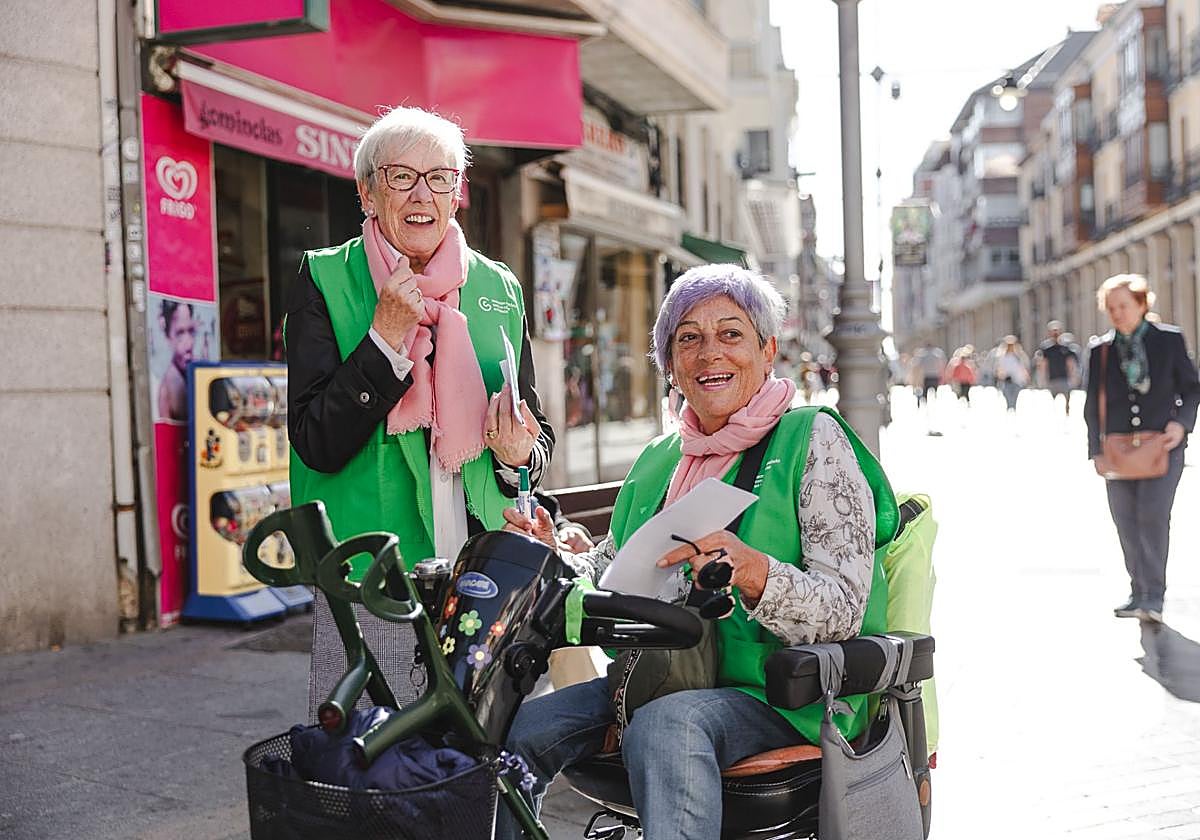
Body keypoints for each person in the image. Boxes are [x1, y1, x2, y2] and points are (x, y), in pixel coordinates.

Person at [496, 264, 896, 840]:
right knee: (514, 730)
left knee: (667, 728)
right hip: (658, 678)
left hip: (785, 694)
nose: (711, 353)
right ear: (672, 367)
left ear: (768, 350)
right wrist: (557, 552)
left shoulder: (814, 439)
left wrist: (754, 571)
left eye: (731, 334)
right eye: (689, 338)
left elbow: (842, 608)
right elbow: (618, 573)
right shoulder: (659, 459)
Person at [286, 106, 555, 564]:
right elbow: (316, 443)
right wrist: (383, 339)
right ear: (367, 194)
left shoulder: (500, 287)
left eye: (438, 178)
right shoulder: (326, 277)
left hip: (486, 561)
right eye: (401, 177)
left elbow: (537, 438)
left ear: (455, 197)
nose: (421, 195)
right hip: (373, 570)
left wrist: (517, 458)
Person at [1084, 274, 1200, 623]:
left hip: (1163, 446)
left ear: (1142, 304)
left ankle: (1154, 595)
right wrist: (1096, 450)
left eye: (1124, 306)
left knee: (1152, 515)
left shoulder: (1169, 340)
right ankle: (1138, 590)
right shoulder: (1100, 351)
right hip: (1117, 449)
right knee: (1125, 520)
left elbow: (1192, 389)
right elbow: (1092, 404)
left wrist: (1181, 424)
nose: (1117, 313)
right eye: (1111, 307)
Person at [157, 299, 195, 422]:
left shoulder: (198, 373)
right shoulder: (166, 392)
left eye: (191, 331)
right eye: (180, 333)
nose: (188, 344)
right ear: (168, 337)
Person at [1034, 320, 1079, 416]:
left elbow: (1070, 363)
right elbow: (1043, 364)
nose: (1055, 333)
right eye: (1053, 331)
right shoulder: (1046, 348)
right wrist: (1042, 379)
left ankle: (1067, 414)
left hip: (1064, 378)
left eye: (1057, 331)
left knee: (1067, 399)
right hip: (1052, 378)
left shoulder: (1066, 347)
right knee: (1053, 400)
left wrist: (1074, 377)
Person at [994, 335, 1030, 412]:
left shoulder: (1019, 356)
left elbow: (1023, 366)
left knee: (1015, 394)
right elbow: (999, 367)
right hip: (1006, 379)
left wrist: (1026, 376)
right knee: (1007, 394)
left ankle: (1013, 407)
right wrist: (1000, 375)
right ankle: (1009, 407)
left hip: (1017, 379)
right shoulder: (1002, 356)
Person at [911, 342, 946, 406]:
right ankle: (935, 402)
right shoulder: (938, 353)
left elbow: (917, 365)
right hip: (935, 375)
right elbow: (942, 364)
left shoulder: (923, 354)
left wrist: (916, 378)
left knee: (926, 391)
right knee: (935, 390)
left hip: (927, 375)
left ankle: (925, 403)